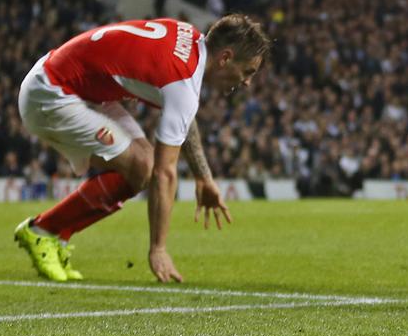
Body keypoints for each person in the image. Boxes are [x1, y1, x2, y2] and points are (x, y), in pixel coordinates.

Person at [14, 15, 270, 281]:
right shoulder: (183, 83)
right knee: (144, 167)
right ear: (226, 58)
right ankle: (44, 231)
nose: (247, 82)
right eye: (248, 71)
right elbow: (165, 172)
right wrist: (158, 249)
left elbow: (184, 115)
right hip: (52, 93)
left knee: (142, 168)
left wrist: (203, 177)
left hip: (72, 82)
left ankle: (54, 233)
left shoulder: (189, 37)